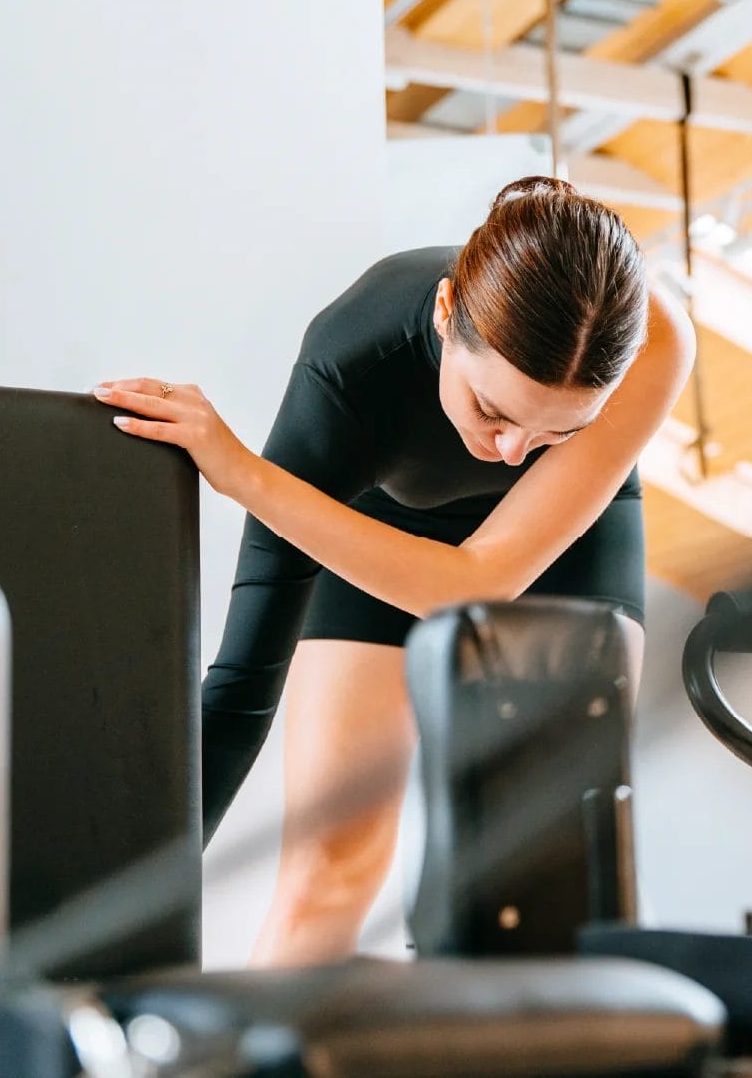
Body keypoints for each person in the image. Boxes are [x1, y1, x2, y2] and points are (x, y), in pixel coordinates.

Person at [95, 175, 695, 967]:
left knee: (559, 867)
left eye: (558, 427)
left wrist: (243, 473)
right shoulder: (349, 369)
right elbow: (240, 688)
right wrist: (101, 920)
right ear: (448, 315)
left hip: (564, 536)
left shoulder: (654, 339)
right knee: (328, 868)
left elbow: (482, 580)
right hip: (382, 524)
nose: (513, 451)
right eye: (494, 410)